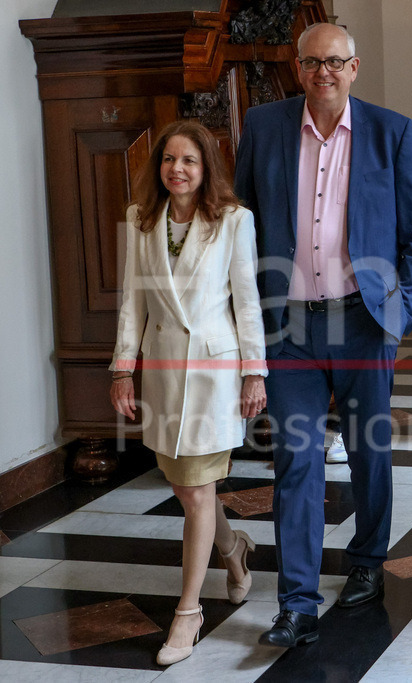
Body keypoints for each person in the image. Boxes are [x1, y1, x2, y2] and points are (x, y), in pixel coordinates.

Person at [234, 22, 412, 647]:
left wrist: (401, 313)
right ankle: (297, 600)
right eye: (313, 62)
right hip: (288, 328)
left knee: (368, 454)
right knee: (297, 462)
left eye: (336, 63)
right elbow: (242, 226)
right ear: (299, 69)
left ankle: (368, 564)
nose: (325, 73)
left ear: (353, 69)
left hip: (363, 324)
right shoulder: (264, 127)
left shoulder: (390, 131)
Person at [110, 120, 267, 666]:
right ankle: (234, 548)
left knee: (198, 491)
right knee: (185, 488)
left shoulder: (232, 221)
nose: (177, 169)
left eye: (190, 161)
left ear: (206, 170)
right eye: (169, 160)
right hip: (160, 373)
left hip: (213, 375)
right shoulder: (140, 220)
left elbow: (246, 302)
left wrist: (255, 372)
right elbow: (132, 302)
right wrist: (121, 370)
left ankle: (188, 612)